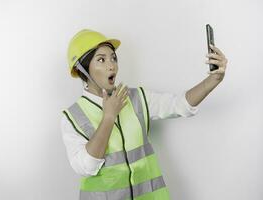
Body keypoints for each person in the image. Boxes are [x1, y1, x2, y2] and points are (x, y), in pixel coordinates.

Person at [61, 29, 228, 200]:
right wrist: (109, 117)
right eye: (101, 60)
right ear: (82, 69)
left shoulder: (136, 98)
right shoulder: (73, 117)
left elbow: (178, 104)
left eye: (113, 58)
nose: (111, 65)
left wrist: (213, 80)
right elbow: (87, 166)